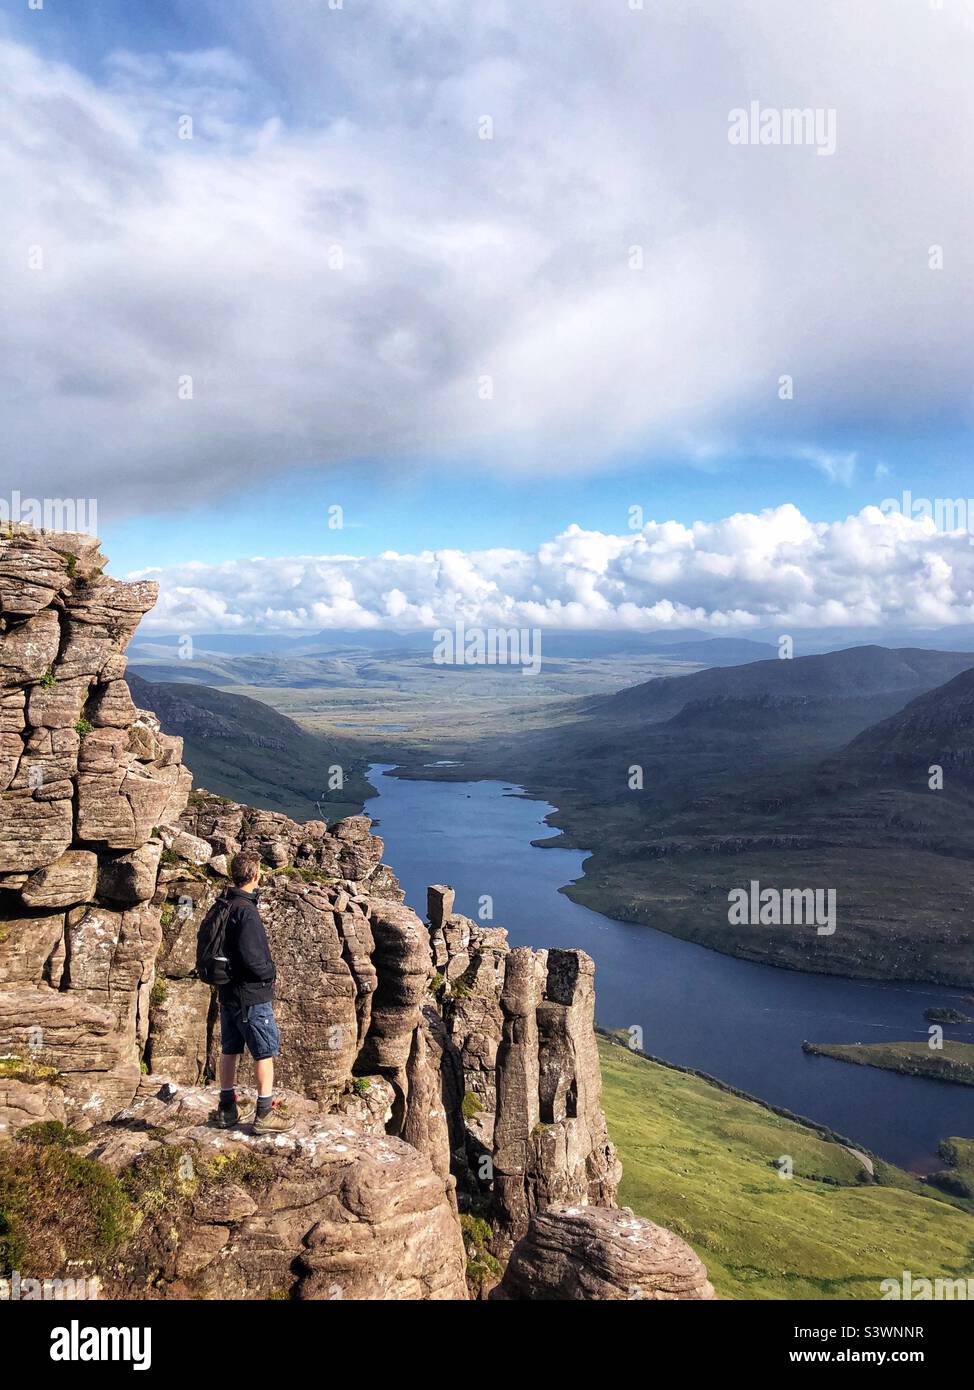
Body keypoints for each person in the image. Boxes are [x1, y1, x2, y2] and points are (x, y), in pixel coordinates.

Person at [214, 851, 294, 1132]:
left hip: (228, 992)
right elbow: (253, 959)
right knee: (264, 1051)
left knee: (230, 1048)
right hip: (251, 994)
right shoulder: (246, 911)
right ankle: (264, 1113)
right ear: (255, 875)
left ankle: (226, 1108)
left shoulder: (223, 904)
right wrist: (270, 973)